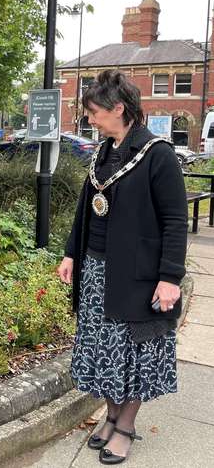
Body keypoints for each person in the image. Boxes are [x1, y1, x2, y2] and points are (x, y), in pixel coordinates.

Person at [57, 69, 186, 465]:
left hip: (138, 275)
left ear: (118, 108)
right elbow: (86, 210)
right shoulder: (104, 151)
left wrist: (169, 278)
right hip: (96, 270)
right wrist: (70, 254)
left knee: (133, 353)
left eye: (94, 112)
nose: (89, 120)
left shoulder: (157, 155)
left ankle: (125, 427)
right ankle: (111, 415)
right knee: (102, 348)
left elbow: (176, 220)